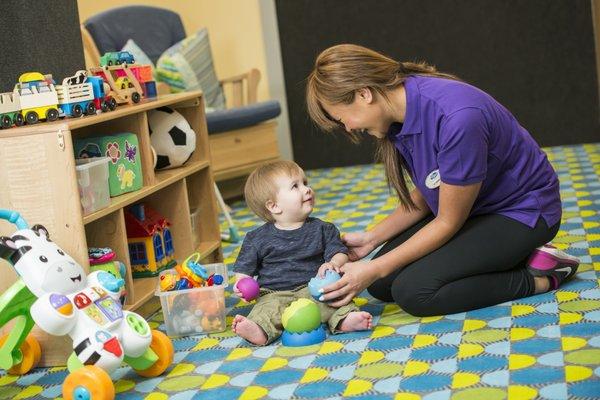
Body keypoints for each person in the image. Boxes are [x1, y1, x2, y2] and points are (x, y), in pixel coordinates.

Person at [305, 44, 579, 316]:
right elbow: (433, 188)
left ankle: (542, 276)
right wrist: (370, 239)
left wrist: (374, 266)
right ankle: (498, 256)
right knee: (380, 285)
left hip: (522, 213)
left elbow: (448, 221)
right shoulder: (398, 113)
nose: (349, 128)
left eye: (343, 119)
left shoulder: (457, 119)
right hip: (474, 206)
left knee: (415, 292)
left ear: (364, 94)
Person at [231, 160, 373, 345]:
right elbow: (244, 270)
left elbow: (340, 252)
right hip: (273, 293)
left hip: (313, 289)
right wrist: (241, 284)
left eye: (305, 183)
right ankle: (259, 330)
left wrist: (333, 263)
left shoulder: (323, 229)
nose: (307, 189)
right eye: (295, 186)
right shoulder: (255, 238)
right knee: (265, 310)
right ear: (274, 206)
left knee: (335, 300)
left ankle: (346, 319)